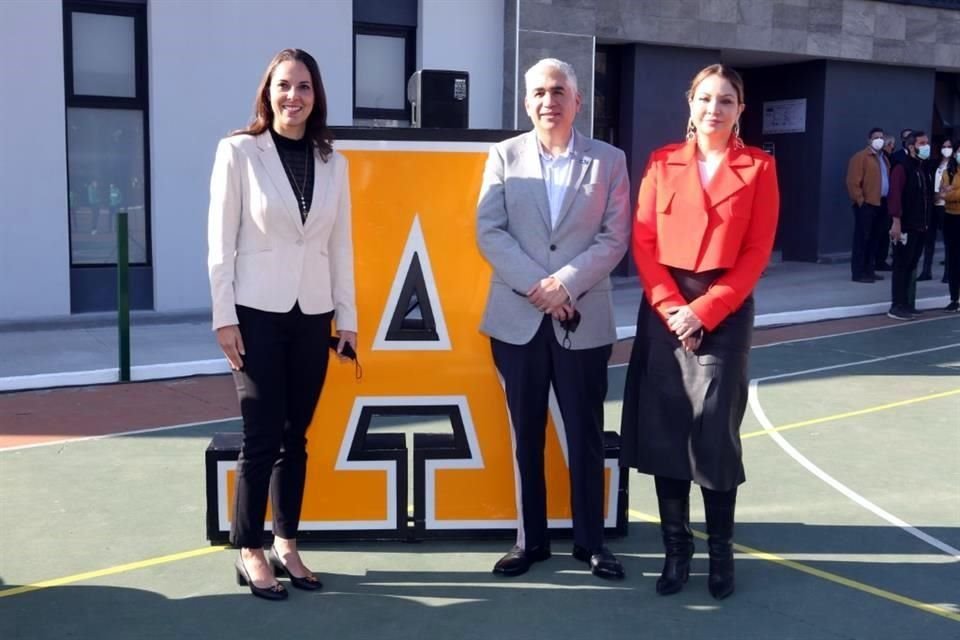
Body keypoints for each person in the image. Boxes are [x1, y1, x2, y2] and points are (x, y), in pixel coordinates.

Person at [619, 64, 779, 600]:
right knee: (666, 434)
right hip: (664, 310)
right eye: (706, 98)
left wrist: (704, 312)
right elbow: (643, 242)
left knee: (714, 436)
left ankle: (720, 553)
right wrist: (672, 309)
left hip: (725, 312)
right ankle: (676, 552)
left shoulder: (759, 168)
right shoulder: (662, 163)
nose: (715, 108)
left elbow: (756, 252)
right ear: (690, 104)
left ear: (740, 111)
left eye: (727, 100)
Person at [207, 48, 357, 600]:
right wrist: (224, 317)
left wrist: (350, 321)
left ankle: (286, 540)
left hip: (312, 314)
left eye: (305, 87)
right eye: (284, 85)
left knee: (298, 438)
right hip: (254, 315)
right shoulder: (239, 152)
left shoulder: (332, 162)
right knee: (262, 435)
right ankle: (249, 548)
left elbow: (341, 247)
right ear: (267, 92)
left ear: (317, 97)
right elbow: (220, 243)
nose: (294, 96)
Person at [476, 58, 630, 580]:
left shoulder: (610, 161)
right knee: (525, 437)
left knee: (585, 435)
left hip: (583, 320)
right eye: (539, 92)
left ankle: (592, 543)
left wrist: (564, 284)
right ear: (526, 102)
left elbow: (614, 238)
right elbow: (489, 232)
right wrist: (541, 289)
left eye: (559, 90)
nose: (549, 100)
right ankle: (530, 541)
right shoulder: (503, 157)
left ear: (577, 100)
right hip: (516, 323)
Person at [887, 131, 932, 320]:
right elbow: (895, 195)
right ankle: (896, 305)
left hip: (920, 226)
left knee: (912, 264)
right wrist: (896, 222)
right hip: (905, 226)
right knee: (901, 265)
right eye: (922, 143)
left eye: (927, 143)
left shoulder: (920, 167)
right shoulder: (901, 167)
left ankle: (906, 303)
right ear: (912, 146)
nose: (926, 146)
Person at [845, 128, 890, 283]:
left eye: (881, 137)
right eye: (876, 137)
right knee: (862, 239)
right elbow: (852, 182)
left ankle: (869, 270)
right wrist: (860, 201)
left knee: (874, 239)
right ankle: (858, 273)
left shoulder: (883, 158)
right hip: (866, 204)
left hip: (881, 203)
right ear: (869, 140)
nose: (879, 140)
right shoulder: (861, 157)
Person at [918, 139, 951, 282]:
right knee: (929, 240)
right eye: (944, 146)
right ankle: (926, 271)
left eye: (949, 146)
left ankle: (948, 273)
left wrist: (943, 195)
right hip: (933, 206)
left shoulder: (955, 166)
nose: (946, 149)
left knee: (949, 241)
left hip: (948, 206)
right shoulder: (934, 164)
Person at [939, 139, 960, 312]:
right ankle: (954, 298)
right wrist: (951, 194)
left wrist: (951, 193)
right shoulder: (948, 171)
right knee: (953, 260)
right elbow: (942, 193)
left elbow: (949, 193)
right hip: (950, 218)